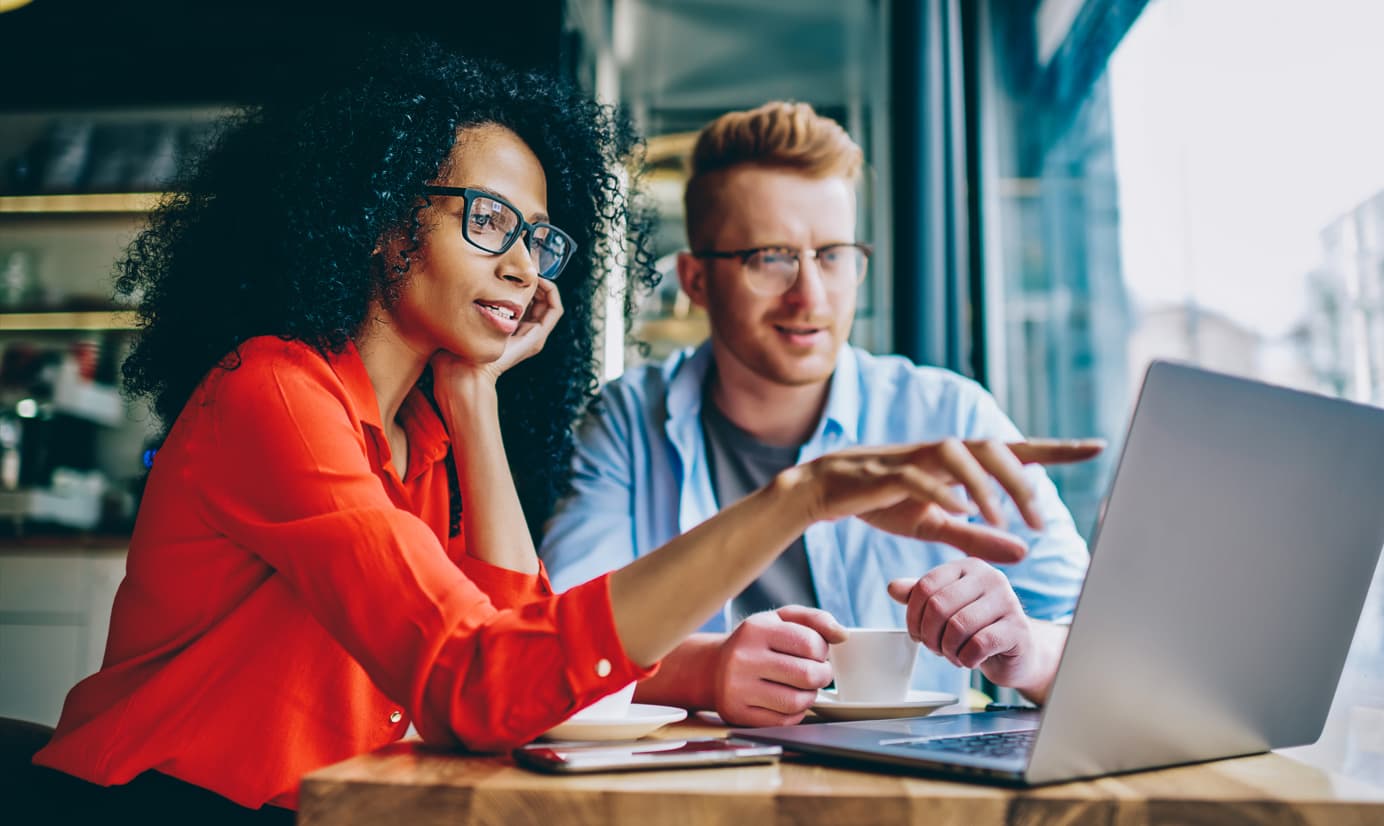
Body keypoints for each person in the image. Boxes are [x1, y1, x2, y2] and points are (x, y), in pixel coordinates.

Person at [30, 45, 1096, 821]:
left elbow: (513, 652)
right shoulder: (274, 393)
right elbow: (481, 681)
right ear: (380, 220)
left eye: (538, 237)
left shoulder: (427, 436)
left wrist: (477, 400)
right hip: (162, 801)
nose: (525, 269)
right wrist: (798, 498)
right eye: (486, 222)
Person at [540, 101, 1098, 727]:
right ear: (696, 280)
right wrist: (707, 669)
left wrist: (1024, 652)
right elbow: (555, 643)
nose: (811, 295)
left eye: (833, 255)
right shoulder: (627, 421)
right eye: (770, 258)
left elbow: (1103, 642)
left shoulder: (948, 414)